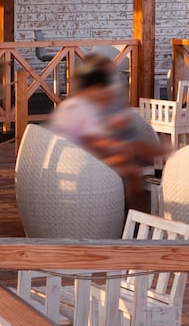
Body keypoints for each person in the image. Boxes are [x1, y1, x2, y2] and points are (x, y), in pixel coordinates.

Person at [49, 57, 164, 215]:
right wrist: (122, 147)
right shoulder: (87, 107)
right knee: (131, 171)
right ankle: (130, 215)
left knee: (128, 157)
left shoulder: (70, 104)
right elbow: (94, 141)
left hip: (65, 157)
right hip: (81, 162)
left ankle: (123, 208)